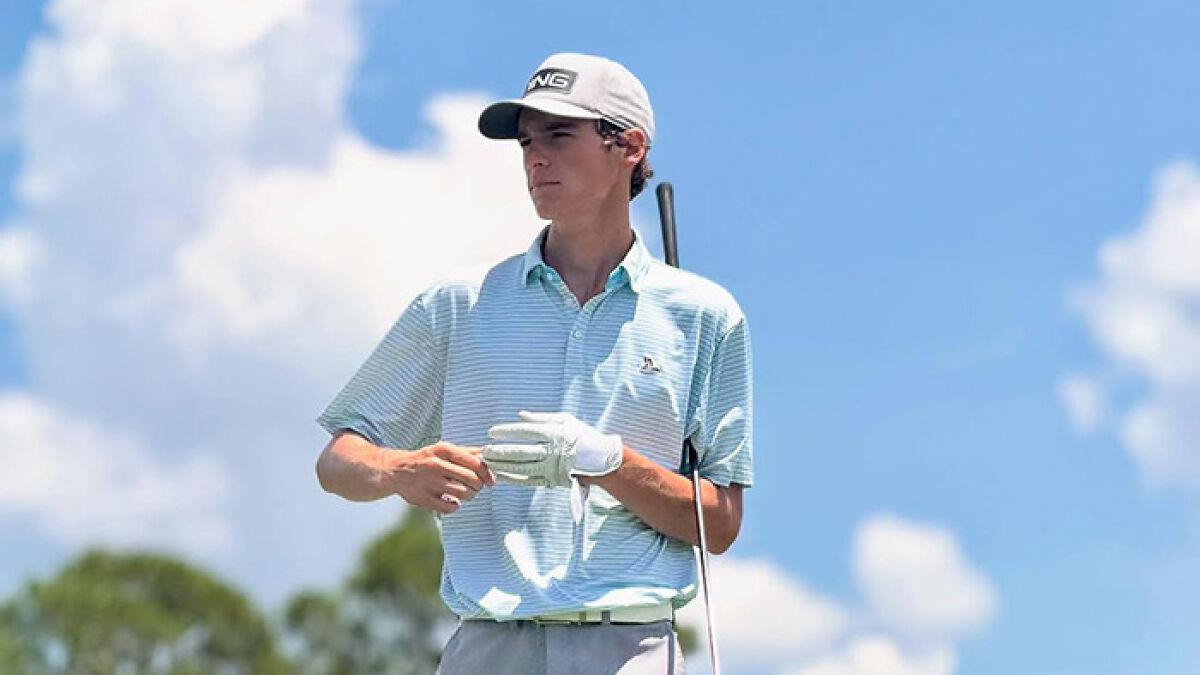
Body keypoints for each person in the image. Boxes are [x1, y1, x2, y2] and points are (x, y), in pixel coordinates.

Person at [315, 52, 753, 674]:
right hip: (487, 646)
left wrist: (608, 463)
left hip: (628, 649)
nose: (534, 157)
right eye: (525, 142)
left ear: (628, 146)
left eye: (559, 135)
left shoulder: (705, 316)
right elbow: (338, 461)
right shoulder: (456, 305)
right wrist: (398, 468)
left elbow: (720, 522)